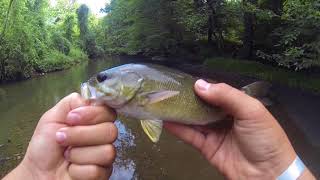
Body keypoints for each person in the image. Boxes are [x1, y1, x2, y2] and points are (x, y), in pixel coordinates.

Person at [4, 80, 315, 180]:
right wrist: (34, 173)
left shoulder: (138, 90)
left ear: (130, 85)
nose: (92, 83)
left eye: (101, 79)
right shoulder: (133, 96)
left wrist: (277, 168)